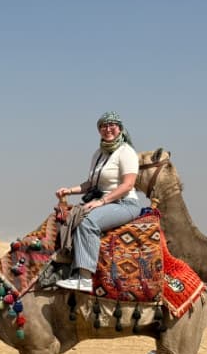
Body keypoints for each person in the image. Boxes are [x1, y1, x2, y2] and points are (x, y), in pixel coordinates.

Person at [54, 112, 145, 292]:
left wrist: (102, 202)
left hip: (124, 203)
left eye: (112, 125)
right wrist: (69, 190)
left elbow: (128, 185)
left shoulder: (126, 152)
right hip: (104, 201)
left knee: (88, 223)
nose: (108, 129)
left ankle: (84, 278)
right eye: (103, 126)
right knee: (68, 219)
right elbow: (91, 184)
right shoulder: (98, 154)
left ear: (120, 129)